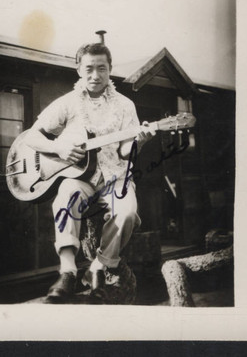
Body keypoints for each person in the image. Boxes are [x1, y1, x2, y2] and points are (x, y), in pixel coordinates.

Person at [25, 42, 155, 303]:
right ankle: (68, 271)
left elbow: (124, 152)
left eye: (102, 69)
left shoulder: (125, 105)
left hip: (115, 177)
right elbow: (31, 137)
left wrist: (140, 140)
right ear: (79, 70)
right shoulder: (68, 103)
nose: (95, 75)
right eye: (89, 69)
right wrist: (58, 148)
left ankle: (99, 267)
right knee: (65, 197)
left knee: (127, 211)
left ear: (110, 70)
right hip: (79, 178)